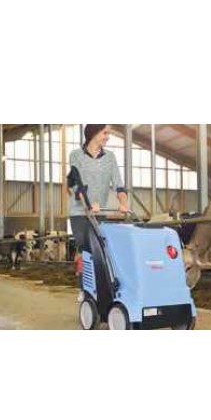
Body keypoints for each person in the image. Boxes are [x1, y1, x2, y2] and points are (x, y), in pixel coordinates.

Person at [67, 124, 129, 302]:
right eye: (105, 133)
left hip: (100, 212)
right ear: (93, 133)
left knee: (102, 250)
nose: (107, 136)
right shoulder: (76, 155)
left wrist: (123, 203)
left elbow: (119, 184)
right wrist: (88, 203)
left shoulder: (110, 157)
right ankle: (84, 288)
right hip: (79, 212)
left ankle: (102, 289)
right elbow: (75, 184)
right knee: (87, 249)